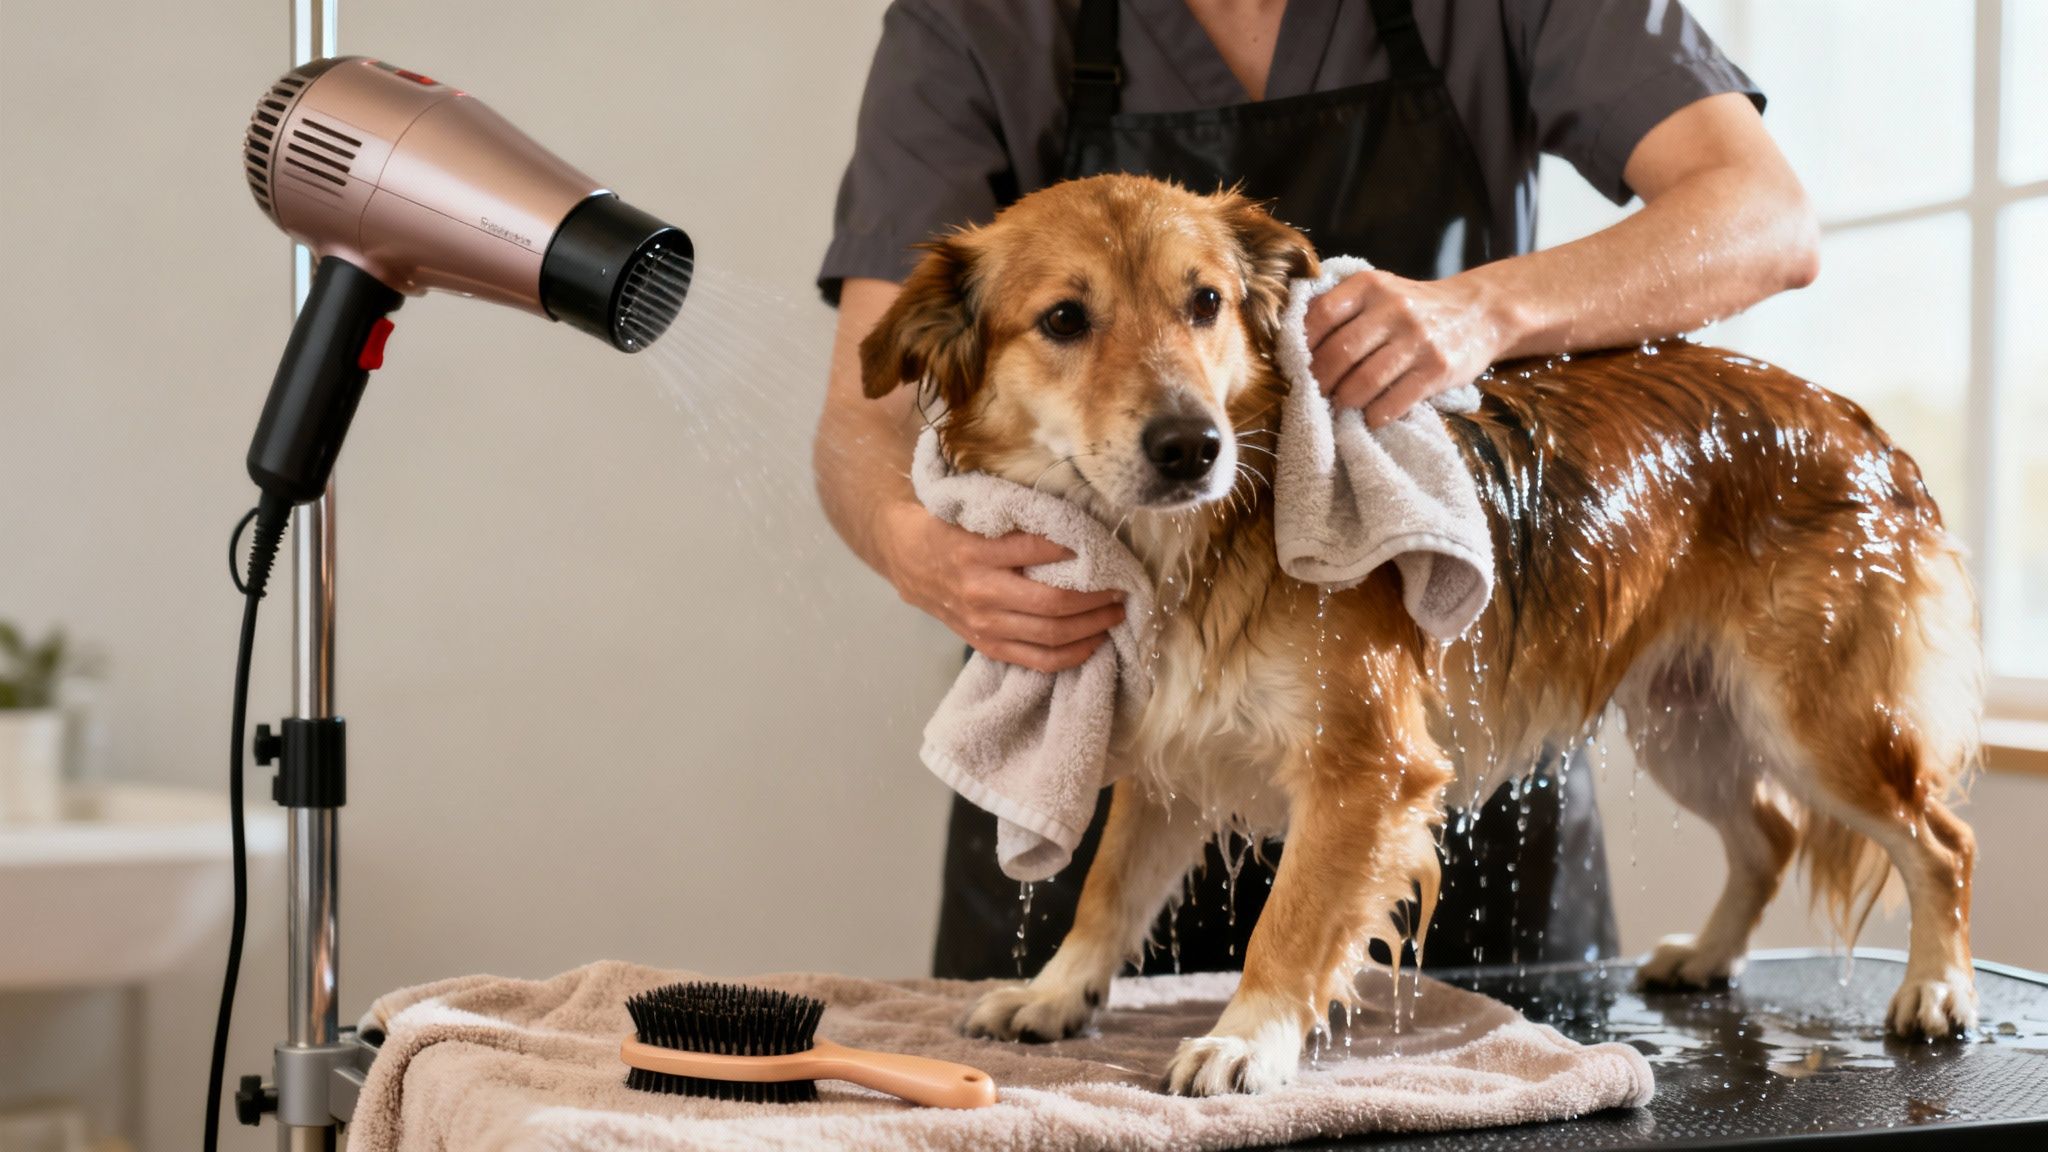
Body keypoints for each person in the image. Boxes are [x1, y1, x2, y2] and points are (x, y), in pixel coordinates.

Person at [814, 0, 1819, 980]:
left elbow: (1765, 216)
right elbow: (867, 414)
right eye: (1072, 321)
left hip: (1456, 715)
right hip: (1094, 729)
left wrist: (1486, 307)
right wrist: (916, 550)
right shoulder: (972, 20)